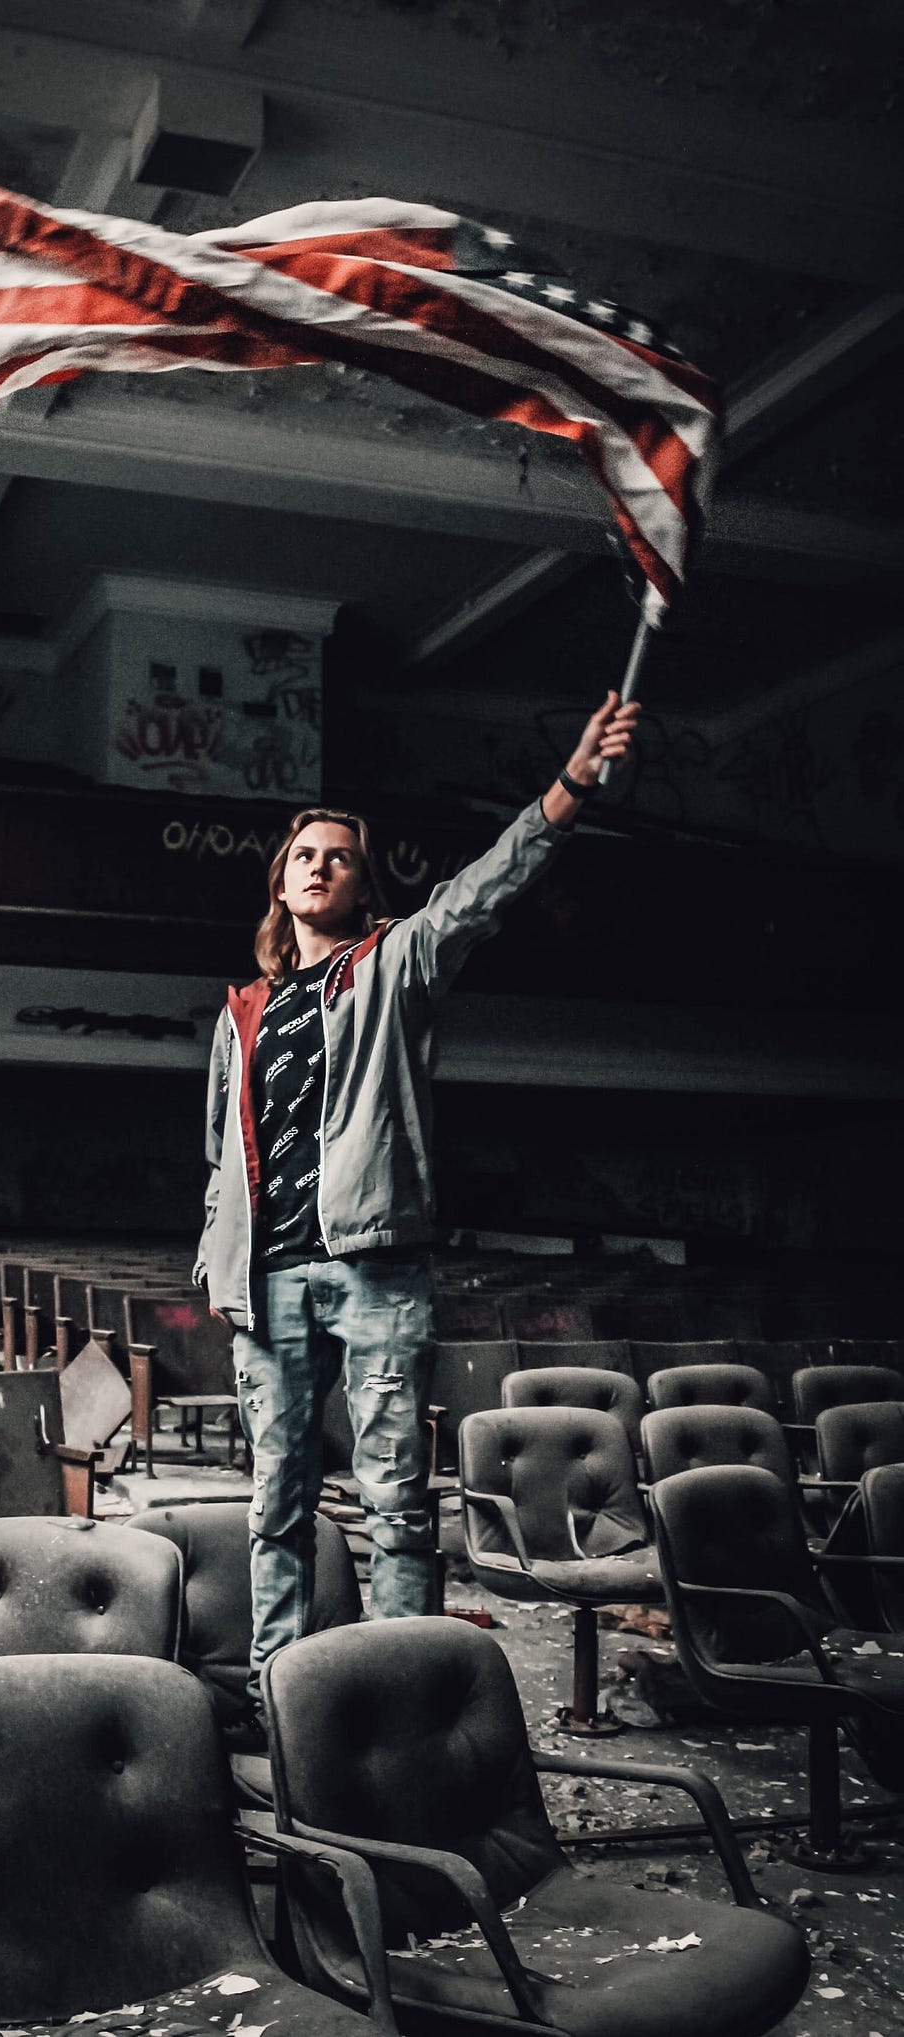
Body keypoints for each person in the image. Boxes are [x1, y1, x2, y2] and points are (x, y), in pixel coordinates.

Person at [193, 689, 641, 1725]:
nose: (317, 864)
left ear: (359, 882)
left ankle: (396, 1698)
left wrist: (568, 786)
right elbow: (221, 1156)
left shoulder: (392, 964)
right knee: (275, 1505)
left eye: (337, 856)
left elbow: (486, 889)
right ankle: (276, 1692)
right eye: (302, 854)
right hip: (266, 1279)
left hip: (372, 1269)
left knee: (394, 1502)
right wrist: (217, 1266)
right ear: (279, 884)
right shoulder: (242, 1012)